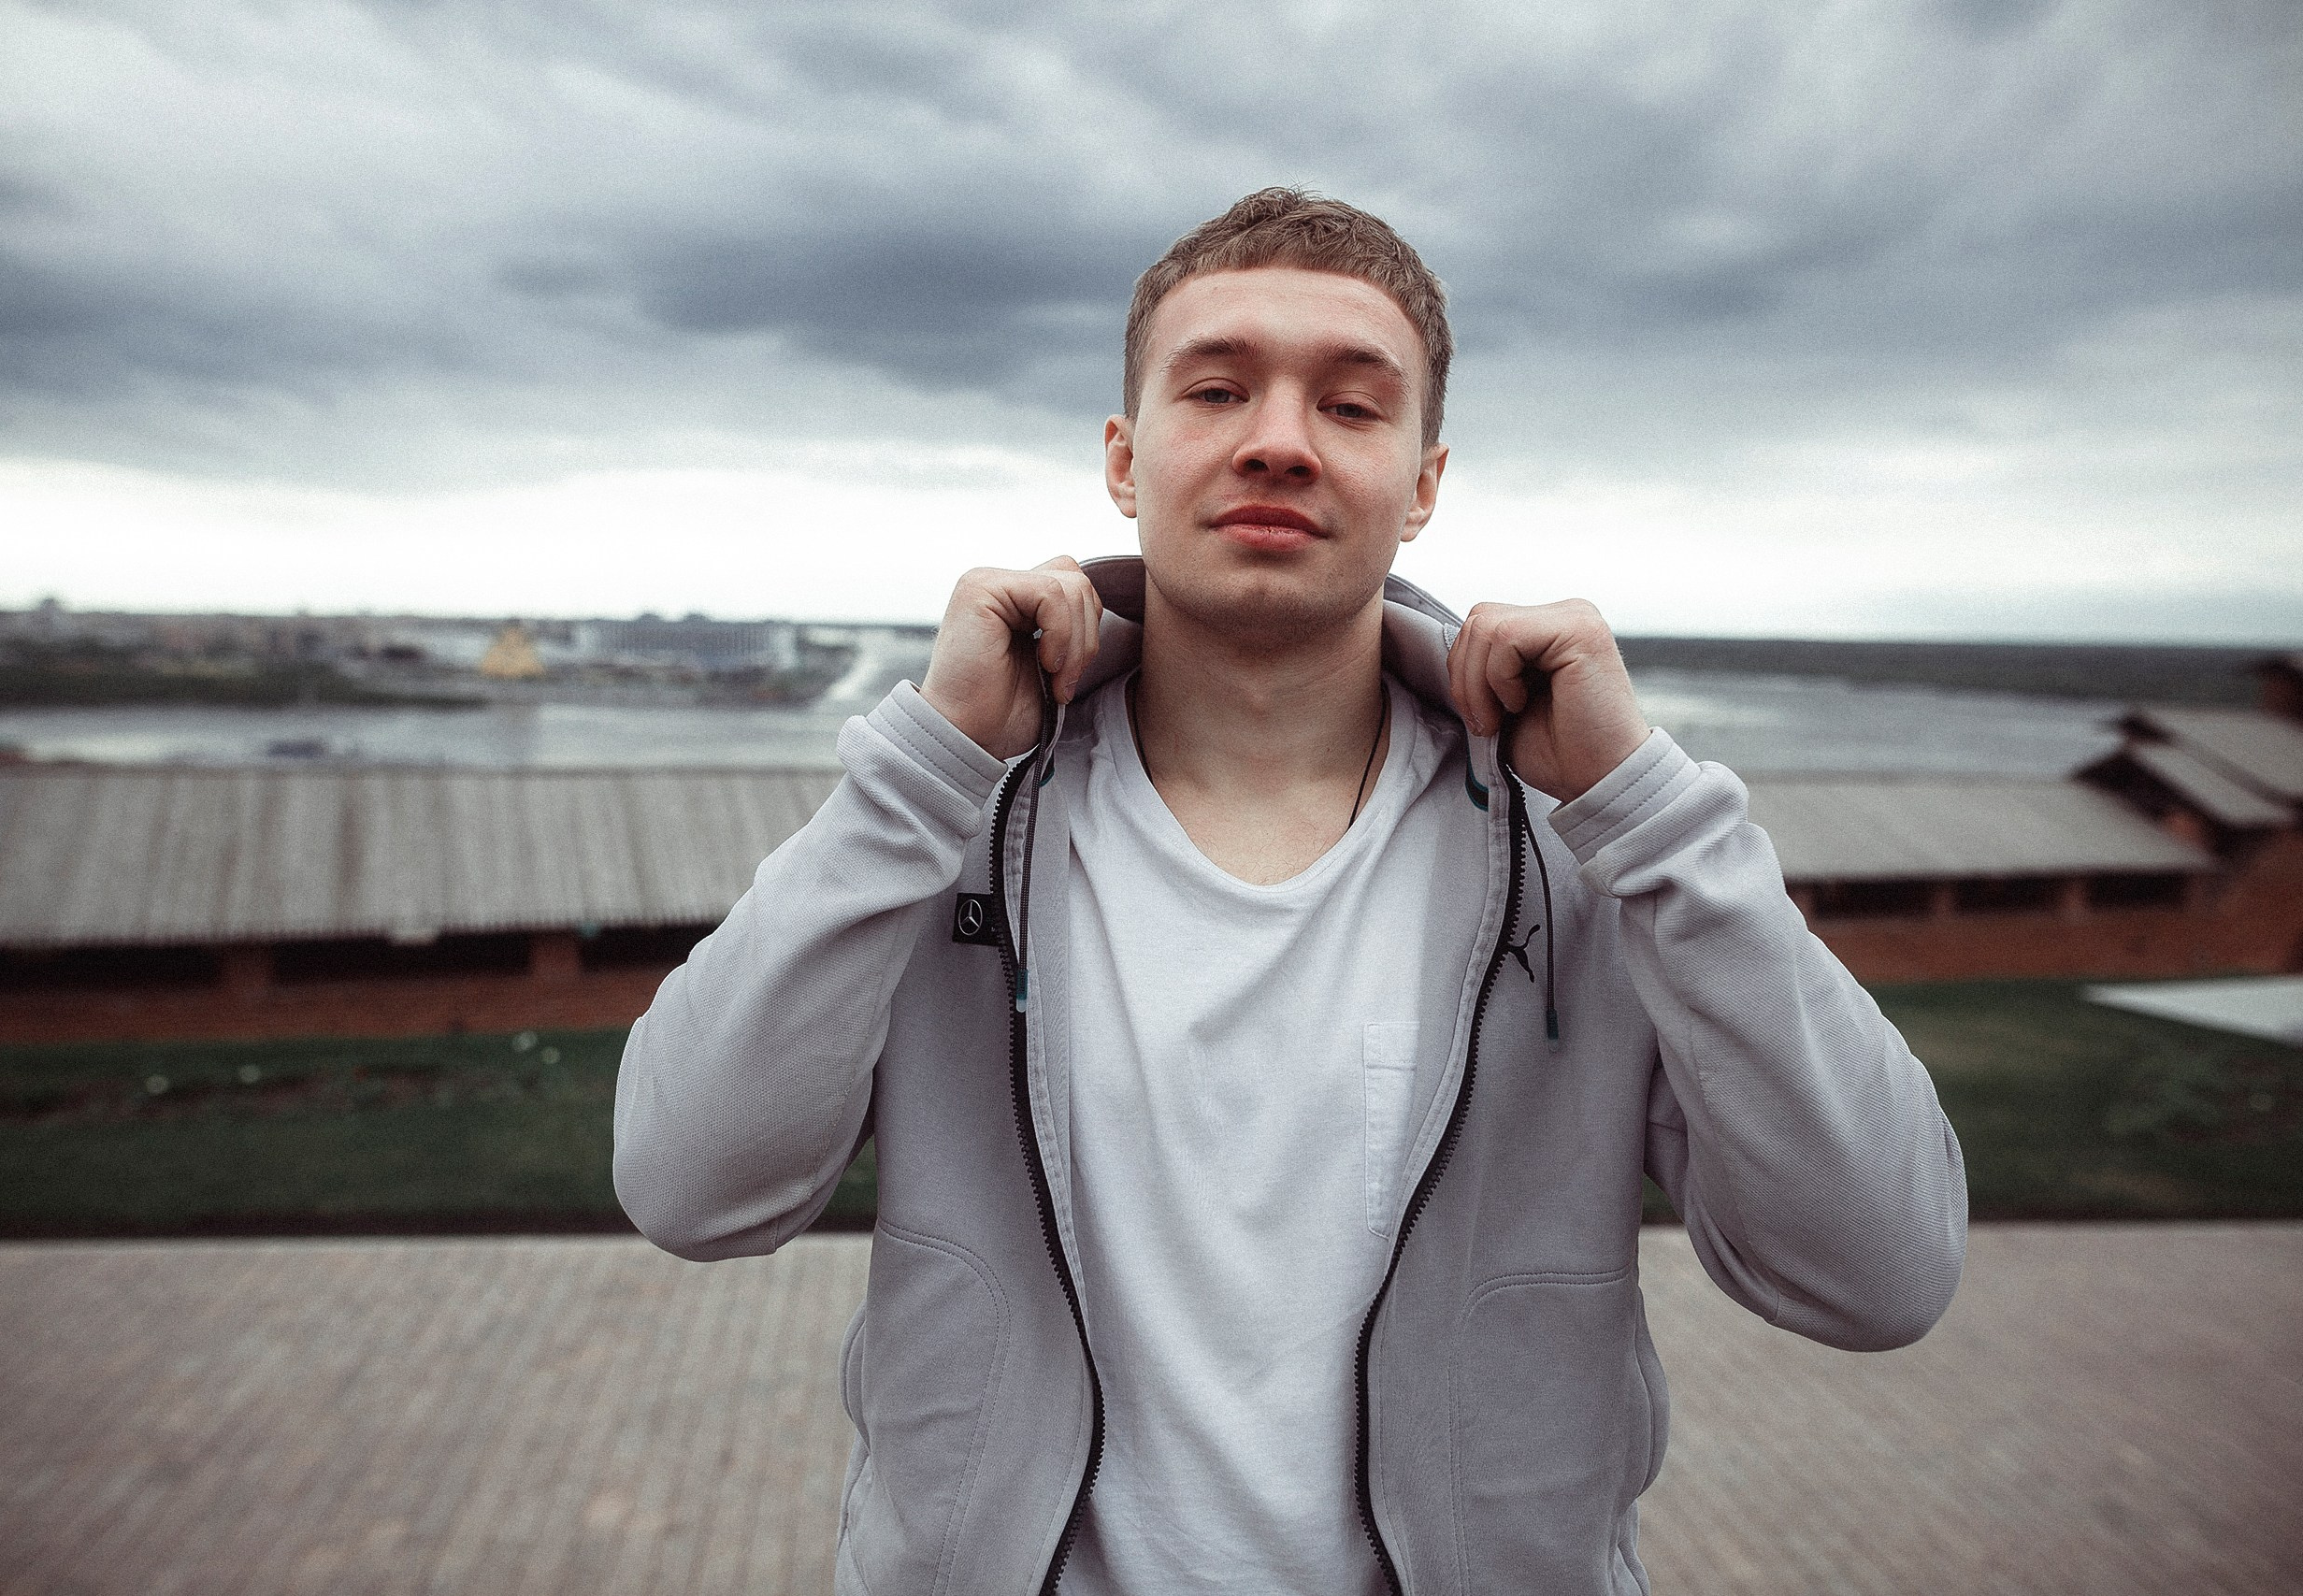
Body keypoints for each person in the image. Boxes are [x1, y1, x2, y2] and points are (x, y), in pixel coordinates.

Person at [614, 188, 1967, 1596]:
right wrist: (922, 765)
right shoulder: (946, 822)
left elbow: (1877, 1275)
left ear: (1425, 484)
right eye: (1217, 389)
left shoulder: (1592, 856)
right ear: (1126, 463)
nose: (1278, 440)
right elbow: (689, 1187)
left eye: (1353, 406)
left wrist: (1653, 813)